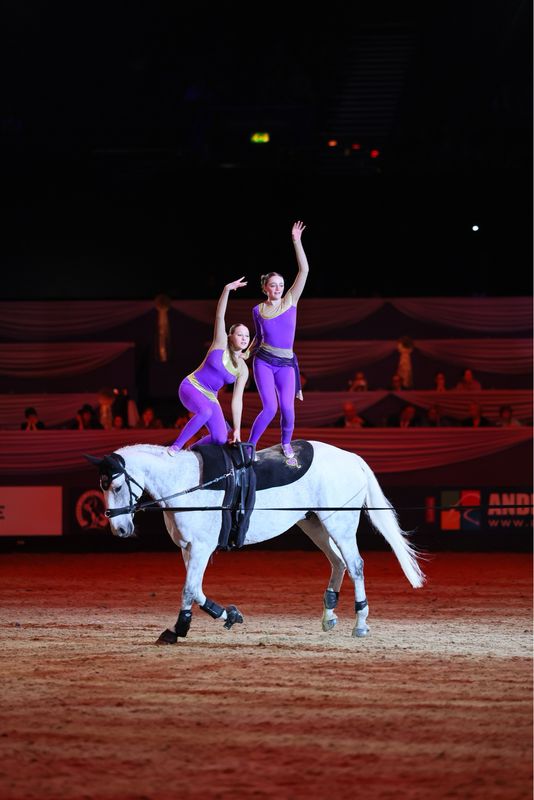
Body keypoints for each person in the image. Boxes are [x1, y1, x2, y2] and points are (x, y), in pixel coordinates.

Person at [246, 221, 309, 466]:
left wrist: (296, 241)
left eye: (281, 285)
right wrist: (246, 354)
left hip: (285, 364)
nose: (278, 288)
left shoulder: (290, 301)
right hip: (263, 361)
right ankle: (250, 447)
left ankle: (286, 444)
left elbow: (303, 271)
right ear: (265, 288)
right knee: (270, 408)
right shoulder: (258, 310)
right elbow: (258, 338)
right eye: (273, 285)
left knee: (288, 409)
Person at [167, 277, 250, 453]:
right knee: (204, 412)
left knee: (220, 438)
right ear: (230, 336)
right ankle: (176, 447)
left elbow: (237, 400)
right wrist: (227, 289)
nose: (244, 339)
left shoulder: (243, 369)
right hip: (191, 386)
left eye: (247, 336)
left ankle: (190, 452)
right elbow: (220, 315)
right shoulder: (220, 343)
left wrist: (236, 428)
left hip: (211, 397)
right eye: (240, 335)